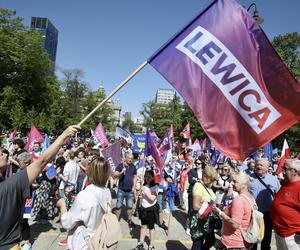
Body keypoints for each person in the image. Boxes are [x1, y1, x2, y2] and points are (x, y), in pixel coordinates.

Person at [0, 125, 80, 249]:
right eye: (1, 153)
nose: (5, 155)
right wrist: (64, 135)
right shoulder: (9, 186)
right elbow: (42, 161)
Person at [56, 156, 112, 250]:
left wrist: (62, 205)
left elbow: (67, 223)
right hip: (99, 239)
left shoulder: (85, 195)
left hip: (83, 242)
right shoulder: (107, 192)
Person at [213, 172, 255, 250]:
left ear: (244, 185)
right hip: (243, 241)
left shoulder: (238, 200)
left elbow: (235, 224)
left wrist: (220, 212)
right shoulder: (250, 197)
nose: (232, 183)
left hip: (233, 243)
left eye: (235, 181)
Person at [249, 157, 281, 250]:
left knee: (266, 241)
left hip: (267, 215)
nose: (259, 166)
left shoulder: (274, 180)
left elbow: (278, 196)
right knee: (252, 240)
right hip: (253, 214)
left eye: (261, 165)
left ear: (267, 167)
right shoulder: (249, 178)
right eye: (257, 164)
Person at [271, 159, 300, 250]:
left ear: (294, 171)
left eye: (284, 169)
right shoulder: (286, 183)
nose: (281, 172)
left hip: (292, 236)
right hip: (280, 233)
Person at [190, 166, 218, 250]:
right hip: (200, 221)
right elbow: (195, 206)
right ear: (203, 175)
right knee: (197, 244)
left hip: (208, 220)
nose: (210, 181)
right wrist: (211, 208)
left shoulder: (208, 187)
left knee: (211, 240)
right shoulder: (199, 185)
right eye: (210, 178)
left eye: (212, 179)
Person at [134, 170, 159, 250]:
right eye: (146, 176)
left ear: (152, 177)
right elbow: (138, 196)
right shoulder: (143, 185)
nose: (147, 178)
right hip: (143, 209)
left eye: (149, 176)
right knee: (143, 226)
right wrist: (139, 194)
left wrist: (145, 190)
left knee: (151, 227)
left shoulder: (155, 187)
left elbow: (152, 198)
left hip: (151, 209)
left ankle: (151, 245)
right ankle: (140, 243)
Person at [114, 153, 137, 227]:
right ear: (126, 158)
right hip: (121, 189)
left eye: (131, 158)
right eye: (129, 158)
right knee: (118, 206)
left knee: (130, 206)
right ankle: (116, 221)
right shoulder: (120, 166)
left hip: (130, 190)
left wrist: (134, 187)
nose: (130, 160)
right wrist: (122, 171)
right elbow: (115, 175)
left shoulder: (133, 166)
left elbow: (135, 177)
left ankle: (129, 220)